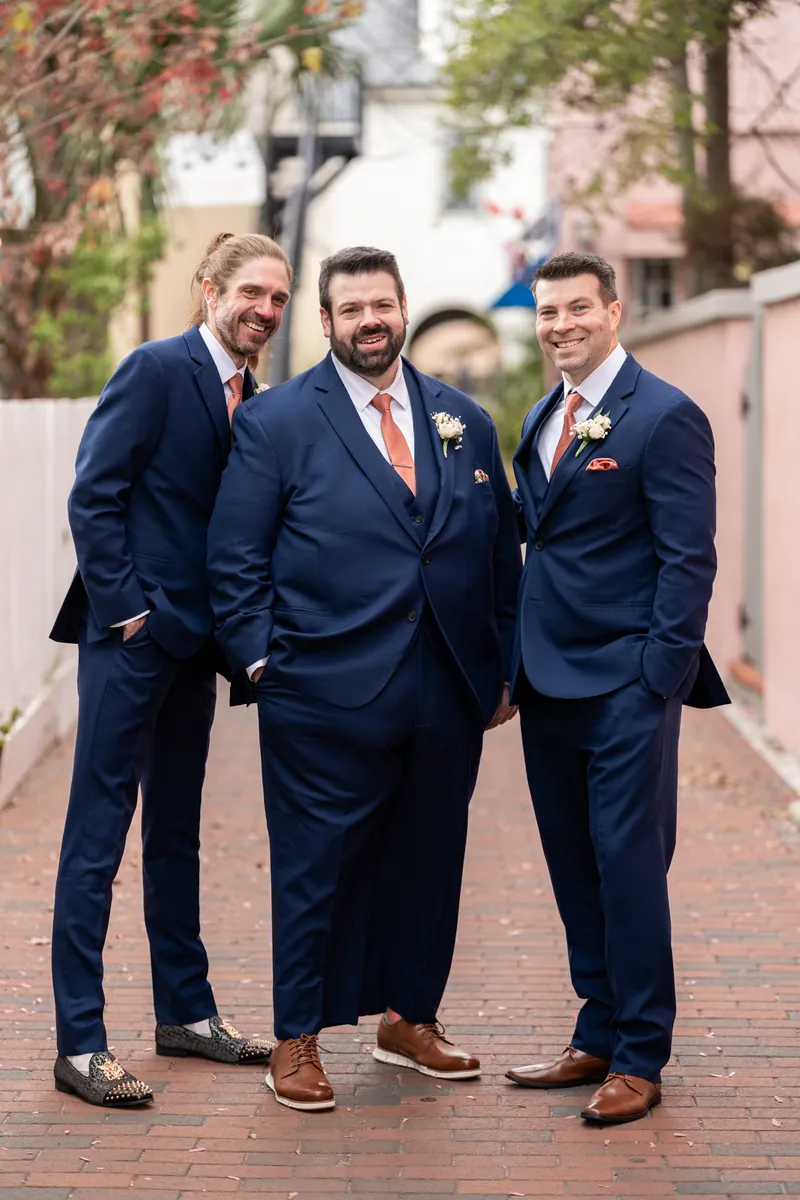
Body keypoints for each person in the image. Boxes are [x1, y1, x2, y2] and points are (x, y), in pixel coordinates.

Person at [207, 245, 522, 1112]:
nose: (371, 320)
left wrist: (501, 668)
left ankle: (409, 1019)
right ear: (327, 322)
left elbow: (502, 556)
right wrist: (267, 660)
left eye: (382, 303)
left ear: (403, 305)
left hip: (446, 691)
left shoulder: (464, 418)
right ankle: (296, 1037)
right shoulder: (277, 424)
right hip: (320, 690)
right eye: (353, 310)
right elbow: (236, 559)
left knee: (430, 859)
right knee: (317, 866)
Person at [48, 232, 291, 1107]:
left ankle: (184, 1012)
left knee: (177, 833)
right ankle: (81, 1041)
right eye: (251, 293)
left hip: (196, 647)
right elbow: (95, 492)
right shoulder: (155, 369)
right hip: (132, 642)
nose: (263, 311)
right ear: (209, 288)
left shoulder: (251, 397)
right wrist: (129, 611)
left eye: (276, 300)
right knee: (96, 838)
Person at [506, 251, 730, 1124]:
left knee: (628, 865)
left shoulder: (665, 417)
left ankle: (641, 1052)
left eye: (574, 310)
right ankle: (595, 1030)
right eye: (546, 312)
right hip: (546, 682)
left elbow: (689, 557)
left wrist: (658, 677)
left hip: (627, 684)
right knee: (572, 866)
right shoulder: (540, 416)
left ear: (614, 312)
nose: (559, 325)